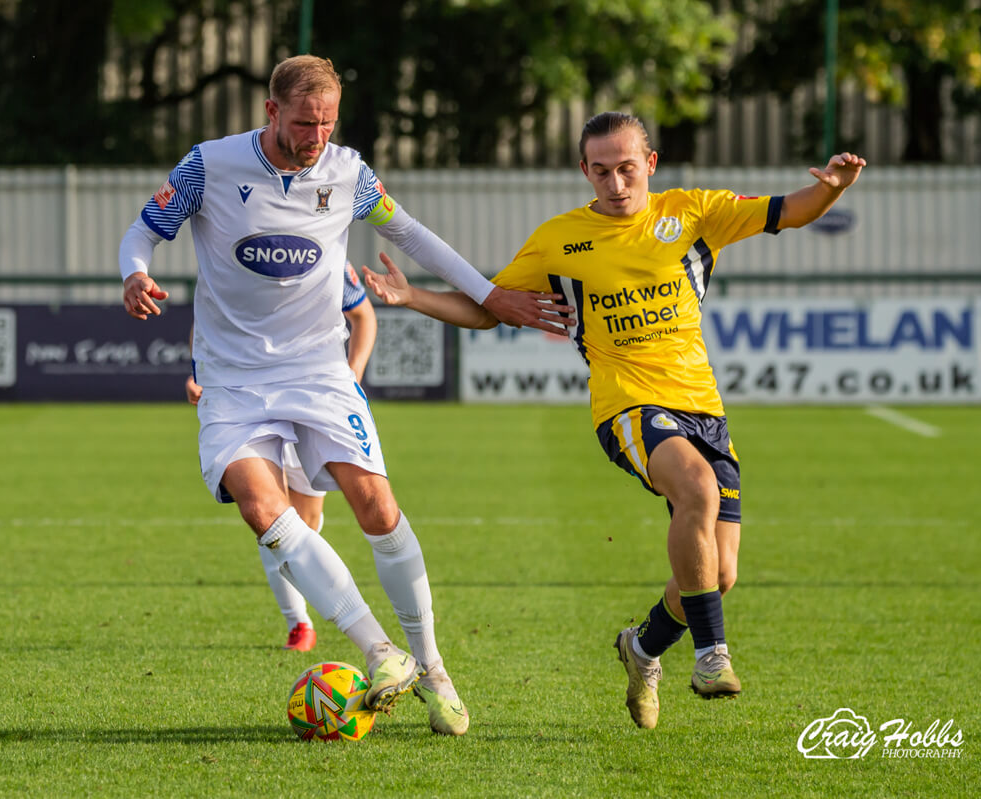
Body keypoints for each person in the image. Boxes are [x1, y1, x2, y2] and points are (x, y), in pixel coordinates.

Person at [363, 111, 866, 730]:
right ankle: (712, 656)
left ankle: (643, 647)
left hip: (704, 409)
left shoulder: (695, 212)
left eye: (627, 168)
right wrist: (412, 296)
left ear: (649, 164)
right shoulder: (559, 239)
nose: (616, 183)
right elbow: (489, 307)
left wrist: (832, 189)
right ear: (584, 171)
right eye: (601, 171)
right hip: (627, 406)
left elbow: (790, 209)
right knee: (697, 490)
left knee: (718, 572)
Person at [119, 54, 569, 736]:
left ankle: (433, 668)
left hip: (319, 371)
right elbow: (143, 232)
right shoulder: (208, 165)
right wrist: (134, 273)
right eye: (304, 122)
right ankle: (378, 649)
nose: (316, 136)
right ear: (271, 112)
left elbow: (411, 234)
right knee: (260, 506)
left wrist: (489, 293)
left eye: (327, 122)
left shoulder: (349, 173)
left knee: (376, 504)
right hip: (233, 381)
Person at [185, 263, 378, 653]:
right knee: (272, 520)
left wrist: (353, 373)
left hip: (312, 400)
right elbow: (205, 318)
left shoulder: (325, 253)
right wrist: (199, 370)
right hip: (249, 399)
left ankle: (324, 612)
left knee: (306, 523)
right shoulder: (233, 248)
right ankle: (299, 622)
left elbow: (363, 316)